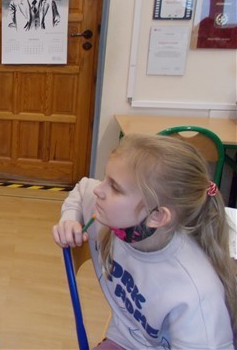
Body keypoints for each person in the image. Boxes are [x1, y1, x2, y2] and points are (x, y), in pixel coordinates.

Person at [52, 134, 236, 350]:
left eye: (115, 187)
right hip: (125, 338)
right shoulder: (110, 214)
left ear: (157, 216)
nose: (98, 190)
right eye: (105, 179)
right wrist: (70, 219)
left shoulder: (194, 291)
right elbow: (82, 190)